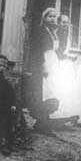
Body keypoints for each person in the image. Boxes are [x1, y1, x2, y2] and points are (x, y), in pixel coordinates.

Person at [29, 7, 60, 135]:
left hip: (53, 62)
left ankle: (43, 122)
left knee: (52, 91)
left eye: (54, 16)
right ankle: (43, 123)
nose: (53, 19)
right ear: (44, 18)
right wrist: (43, 66)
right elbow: (37, 50)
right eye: (50, 16)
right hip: (44, 62)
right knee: (44, 92)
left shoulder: (53, 31)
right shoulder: (40, 31)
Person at [50, 15, 78, 123]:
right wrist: (69, 57)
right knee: (60, 89)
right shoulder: (57, 35)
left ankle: (65, 116)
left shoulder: (65, 35)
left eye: (67, 23)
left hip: (65, 64)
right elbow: (58, 52)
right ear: (58, 23)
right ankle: (57, 116)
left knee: (67, 90)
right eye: (63, 22)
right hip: (59, 64)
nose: (65, 25)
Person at [0, 55, 16, 155]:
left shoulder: (5, 80)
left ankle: (6, 144)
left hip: (3, 105)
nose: (2, 67)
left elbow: (10, 93)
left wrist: (13, 104)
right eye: (0, 65)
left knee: (7, 120)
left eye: (4, 66)